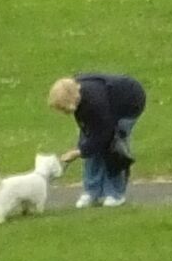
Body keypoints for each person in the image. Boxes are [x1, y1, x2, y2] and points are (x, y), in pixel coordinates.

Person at [48, 70, 147, 207]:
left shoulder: (95, 102)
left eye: (64, 109)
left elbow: (104, 134)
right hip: (107, 107)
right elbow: (89, 133)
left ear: (73, 101)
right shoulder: (79, 97)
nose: (64, 113)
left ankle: (115, 194)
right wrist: (83, 148)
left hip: (129, 104)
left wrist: (78, 152)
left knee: (114, 149)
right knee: (89, 146)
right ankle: (92, 191)